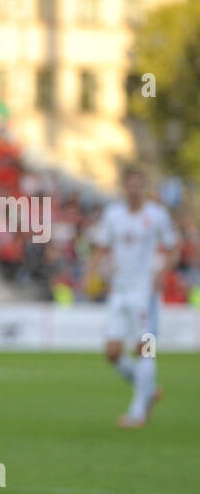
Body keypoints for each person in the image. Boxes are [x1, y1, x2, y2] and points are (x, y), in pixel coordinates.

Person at [86, 166, 180, 428]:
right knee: (112, 352)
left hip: (144, 293)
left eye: (139, 184)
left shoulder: (157, 216)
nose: (134, 189)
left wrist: (162, 272)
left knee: (145, 349)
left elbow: (173, 249)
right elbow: (101, 247)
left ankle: (138, 413)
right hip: (119, 290)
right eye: (130, 184)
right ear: (124, 187)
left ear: (144, 187)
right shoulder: (113, 215)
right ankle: (148, 391)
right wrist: (90, 273)